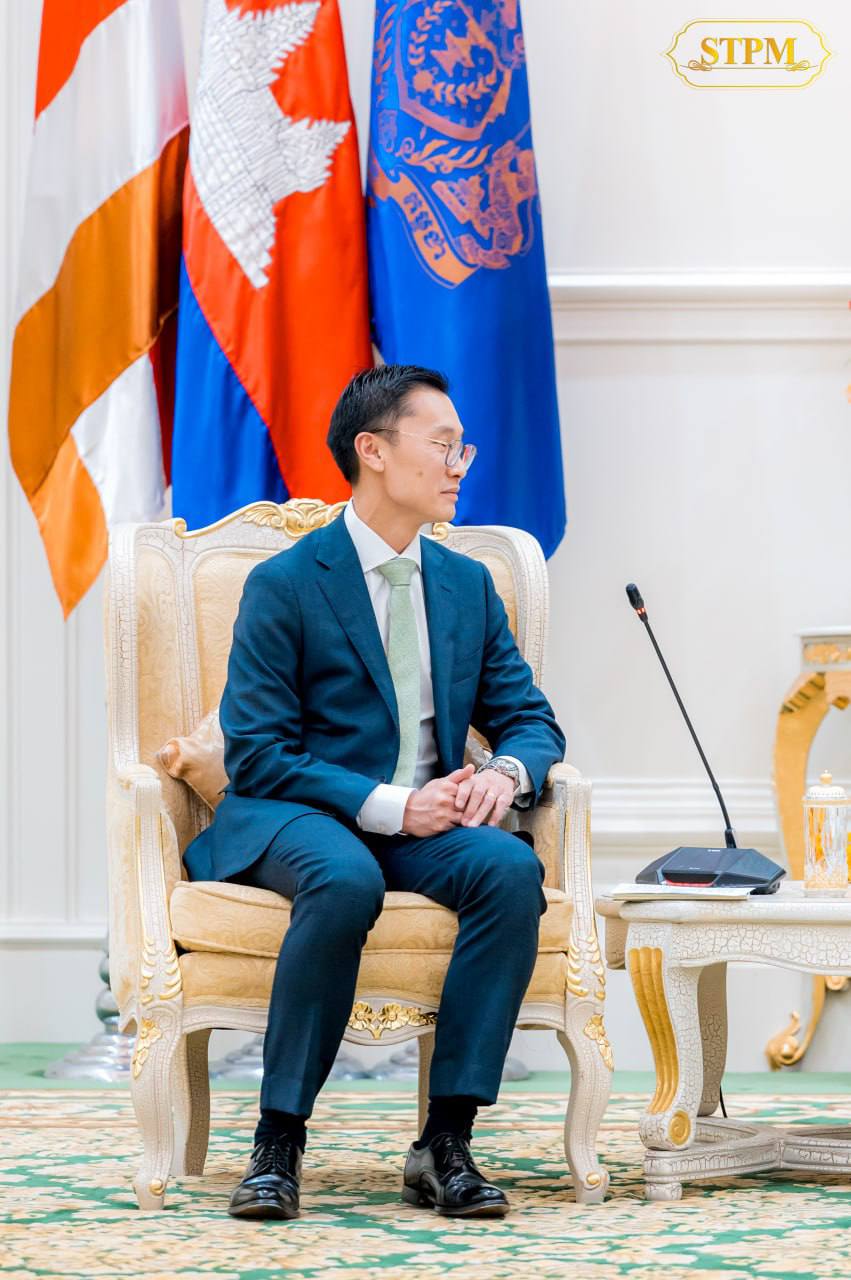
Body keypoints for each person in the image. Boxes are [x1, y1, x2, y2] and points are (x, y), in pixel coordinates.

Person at [183, 364, 566, 1221]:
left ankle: (445, 1141)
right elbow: (258, 753)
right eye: (442, 444)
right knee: (343, 876)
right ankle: (277, 1141)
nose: (458, 464)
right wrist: (394, 806)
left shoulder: (464, 584)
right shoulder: (286, 584)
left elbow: (530, 721)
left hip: (425, 825)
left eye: (462, 448)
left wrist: (503, 774)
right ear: (373, 450)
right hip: (299, 814)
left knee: (508, 870)